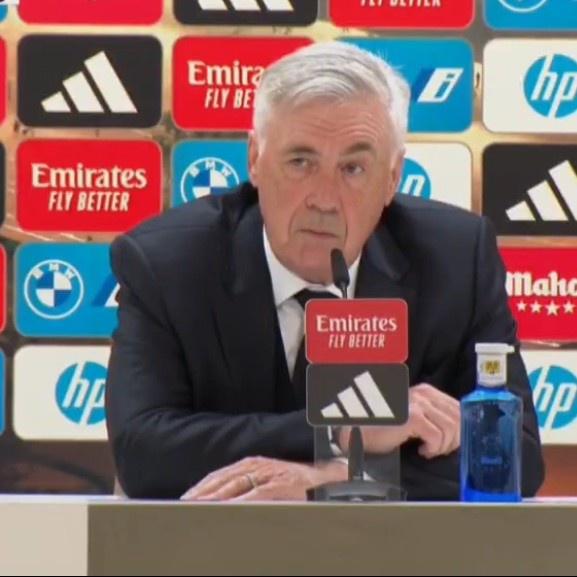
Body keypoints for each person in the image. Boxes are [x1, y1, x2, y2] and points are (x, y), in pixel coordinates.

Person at [105, 41, 544, 501]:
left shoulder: (455, 261)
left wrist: (331, 478)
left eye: (353, 168)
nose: (324, 199)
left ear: (392, 178)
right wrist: (340, 430)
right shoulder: (168, 264)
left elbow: (515, 457)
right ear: (254, 160)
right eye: (301, 162)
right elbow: (142, 451)